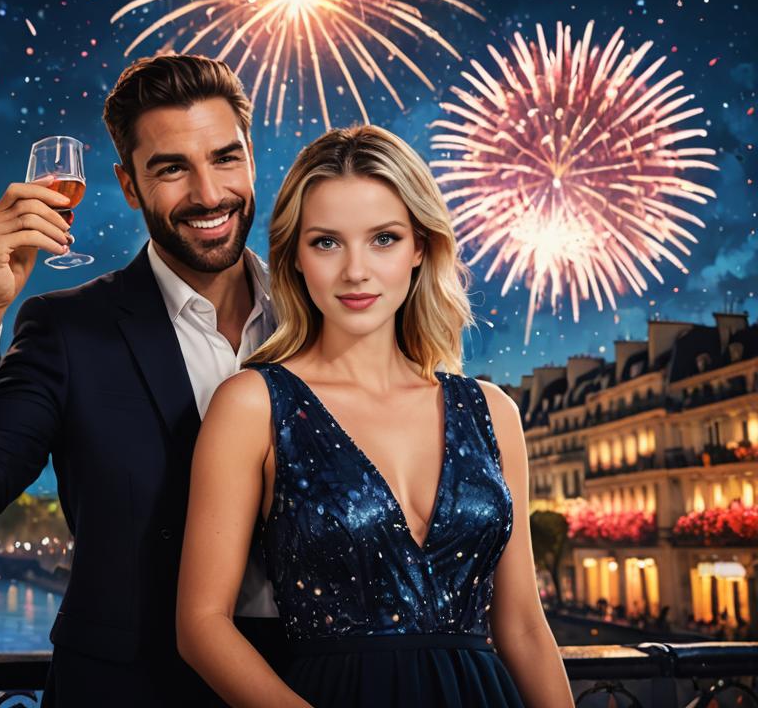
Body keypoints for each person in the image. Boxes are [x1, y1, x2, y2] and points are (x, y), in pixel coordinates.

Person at [0, 54, 286, 705]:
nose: (209, 194)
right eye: (172, 168)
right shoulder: (68, 331)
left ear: (252, 157)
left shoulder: (324, 318)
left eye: (225, 158)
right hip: (133, 690)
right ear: (128, 186)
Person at [176, 126, 574, 707]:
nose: (356, 271)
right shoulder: (252, 405)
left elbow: (523, 628)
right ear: (294, 258)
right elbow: (202, 627)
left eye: (383, 239)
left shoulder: (492, 412)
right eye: (327, 243)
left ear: (420, 247)